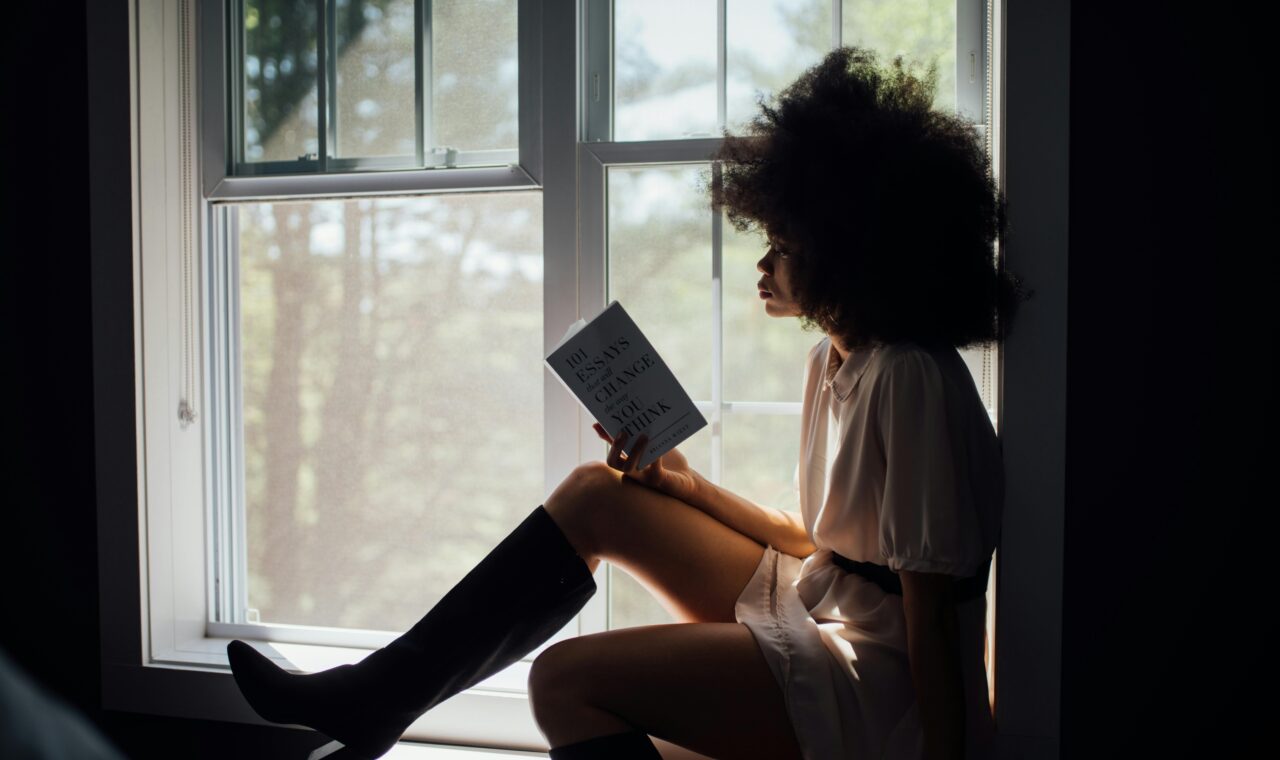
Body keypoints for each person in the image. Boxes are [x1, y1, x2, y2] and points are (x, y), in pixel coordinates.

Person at [227, 46, 1029, 760]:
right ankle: (377, 698)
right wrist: (684, 488)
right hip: (827, 602)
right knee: (594, 494)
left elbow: (929, 607)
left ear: (850, 252)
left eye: (784, 246)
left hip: (882, 684)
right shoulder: (834, 362)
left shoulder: (911, 376)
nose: (763, 262)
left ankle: (373, 702)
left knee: (564, 682)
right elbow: (817, 541)